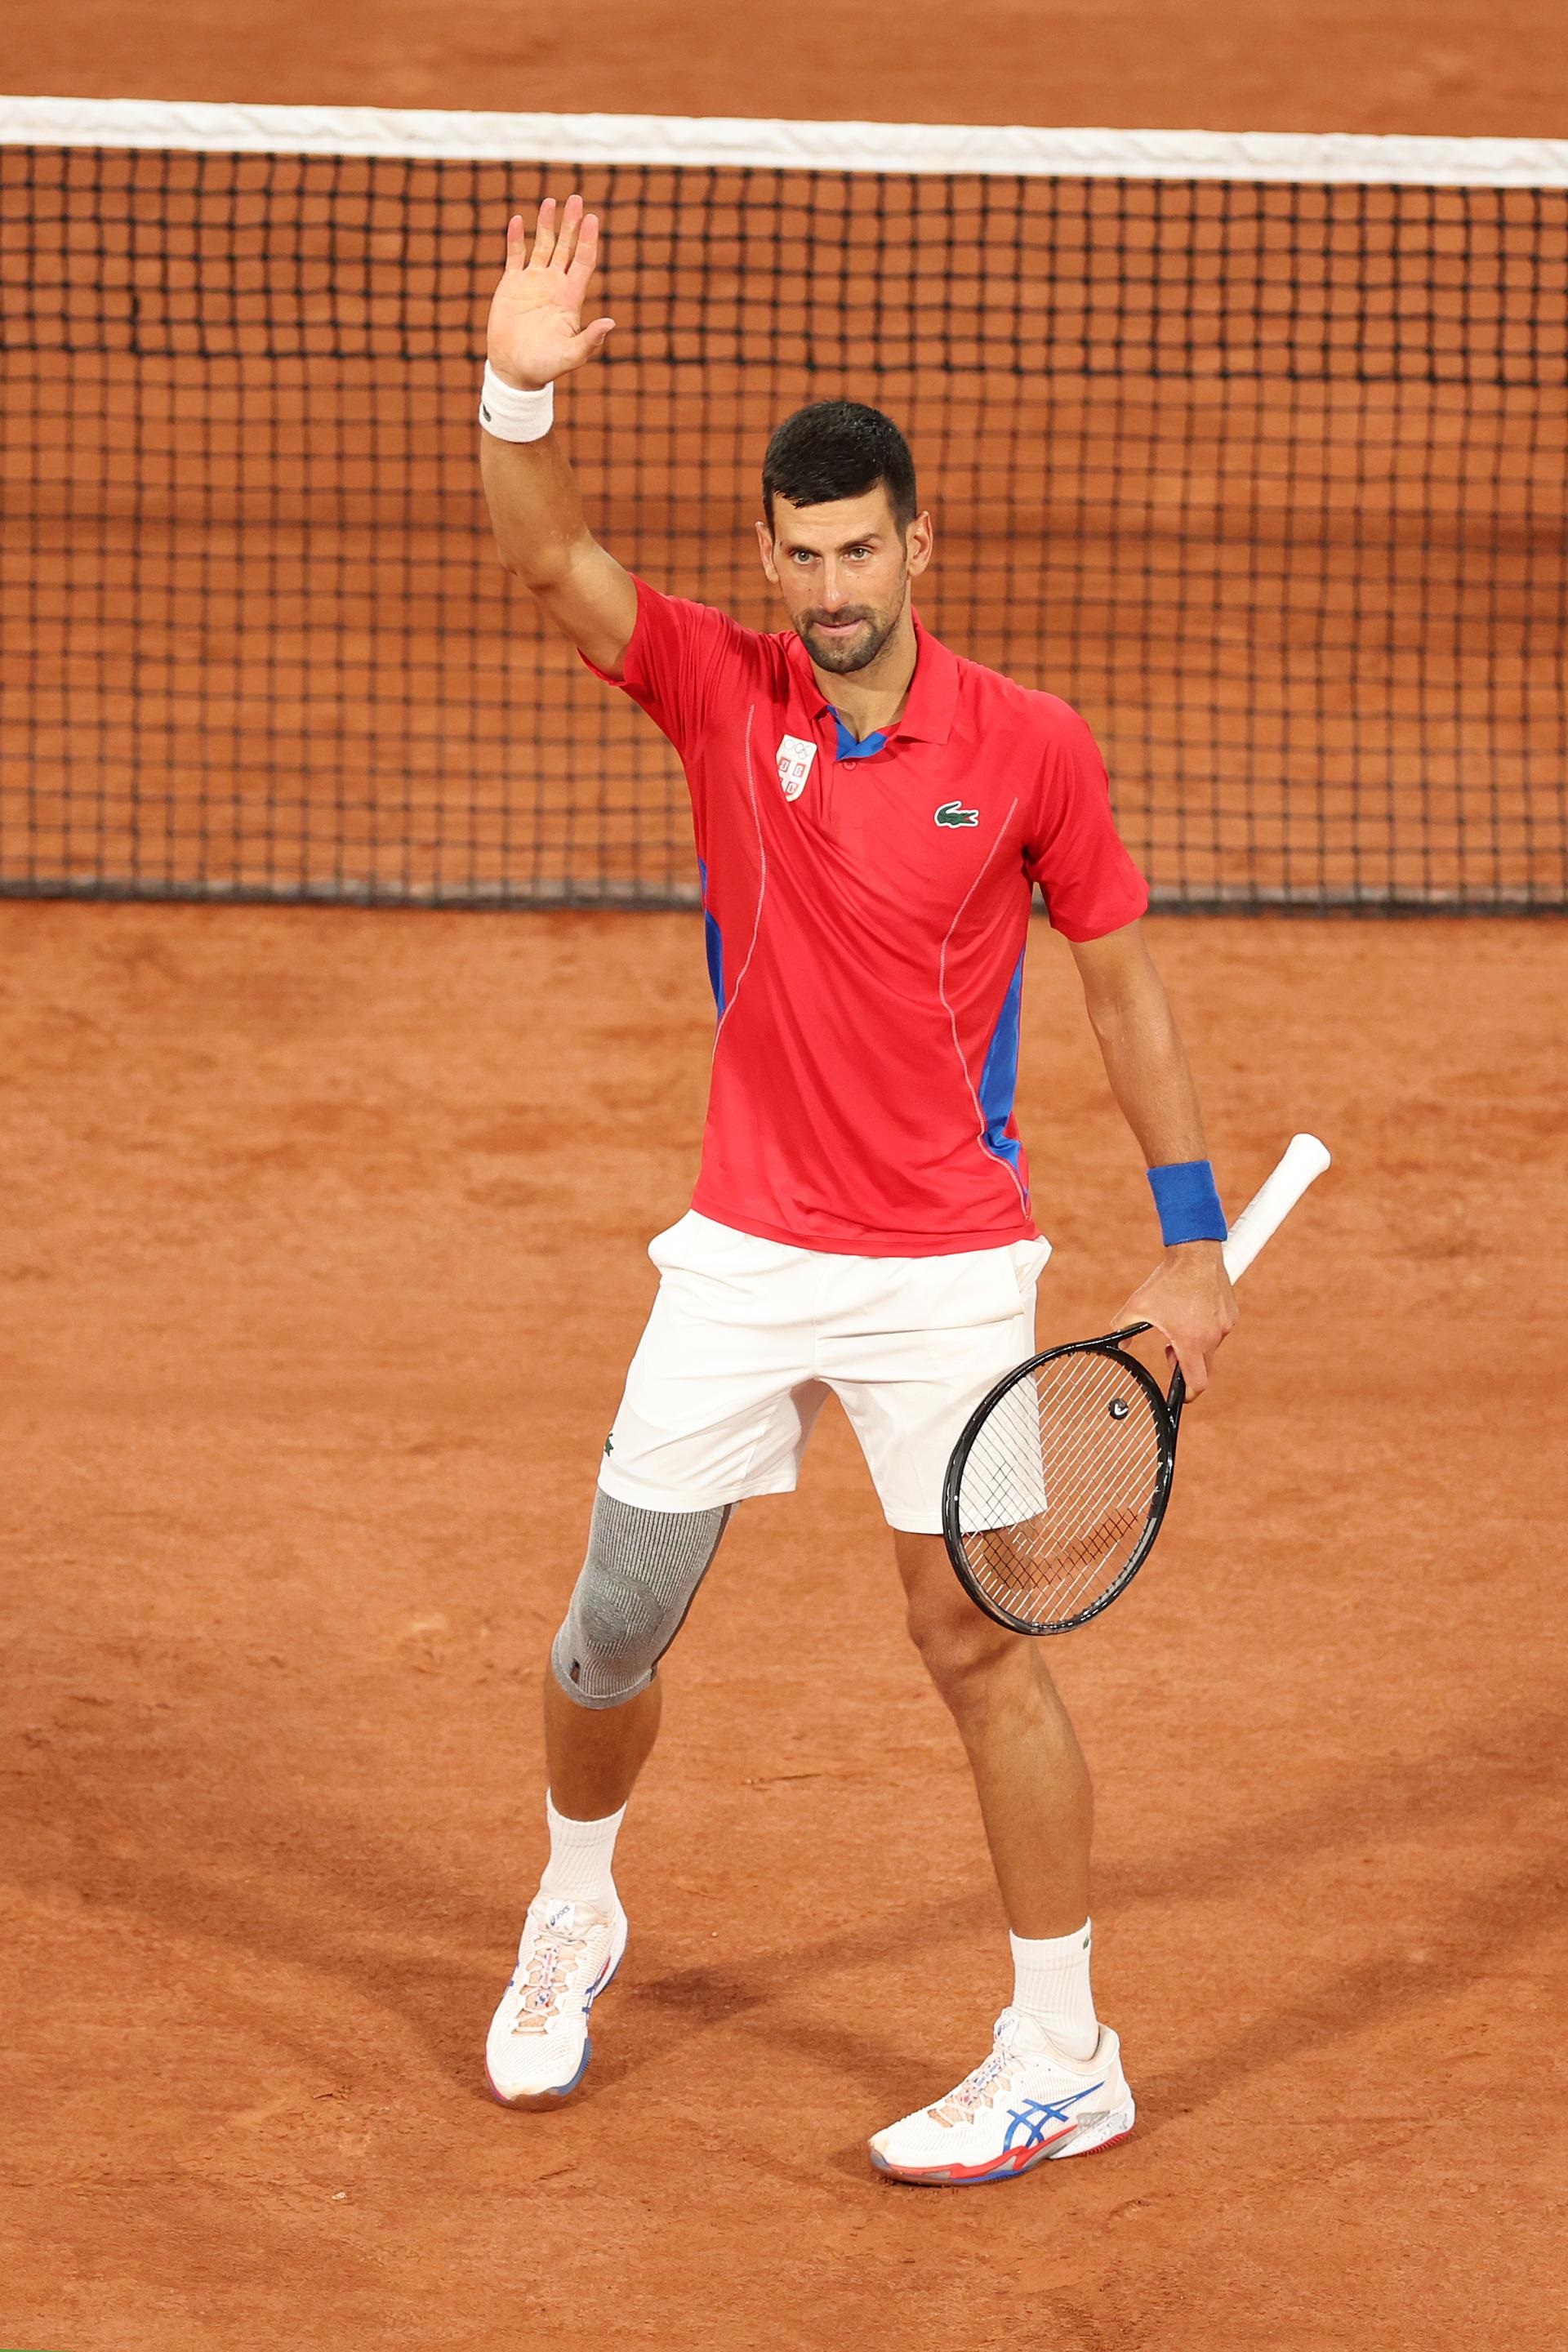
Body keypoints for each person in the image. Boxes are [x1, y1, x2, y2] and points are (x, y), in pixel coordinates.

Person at [475, 195, 1236, 2185]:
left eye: (858, 551)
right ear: (771, 560)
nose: (829, 588)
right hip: (741, 1251)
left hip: (946, 1270)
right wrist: (514, 395)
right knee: (611, 1629)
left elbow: (1122, 981)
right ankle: (575, 1905)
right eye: (799, 556)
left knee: (977, 1645)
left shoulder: (1033, 748)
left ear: (919, 546)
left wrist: (1192, 1236)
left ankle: (1064, 2054)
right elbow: (549, 556)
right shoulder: (723, 694)